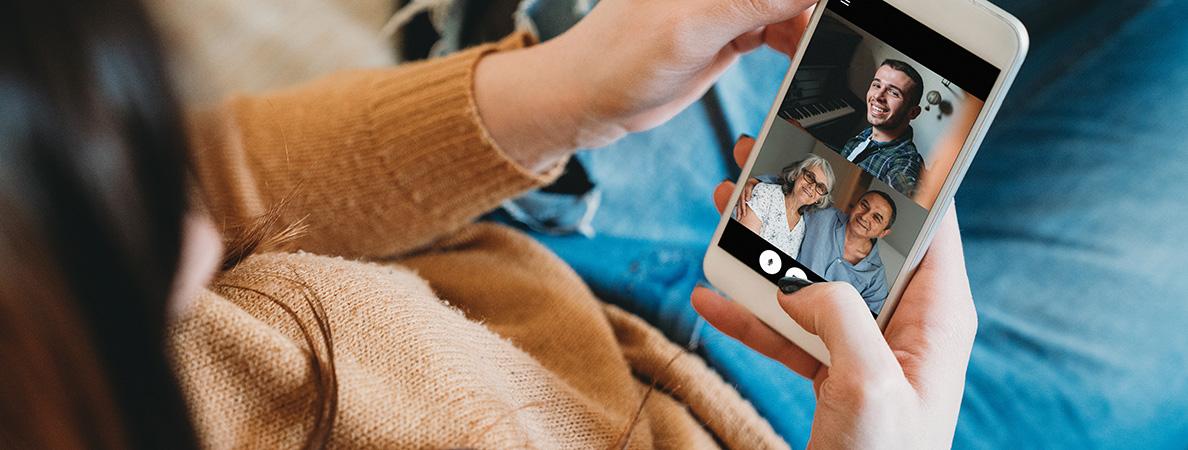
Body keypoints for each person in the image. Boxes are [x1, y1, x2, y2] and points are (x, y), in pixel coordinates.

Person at [0, 0, 977, 448]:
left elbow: (221, 171)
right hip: (800, 414)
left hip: (534, 265)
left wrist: (556, 93)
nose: (188, 212)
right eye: (122, 208)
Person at [796, 190, 898, 312]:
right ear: (855, 204)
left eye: (876, 217)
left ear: (883, 233)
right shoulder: (823, 215)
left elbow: (870, 322)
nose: (864, 216)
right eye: (864, 206)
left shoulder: (875, 277)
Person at [838, 60, 926, 196]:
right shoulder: (867, 135)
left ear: (913, 112)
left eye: (894, 93)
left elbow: (906, 189)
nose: (878, 96)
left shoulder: (904, 163)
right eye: (877, 85)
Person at [735, 155, 835, 257]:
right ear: (796, 174)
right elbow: (742, 244)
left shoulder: (802, 229)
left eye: (820, 187)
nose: (812, 187)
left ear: (819, 199)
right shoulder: (765, 193)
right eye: (809, 176)